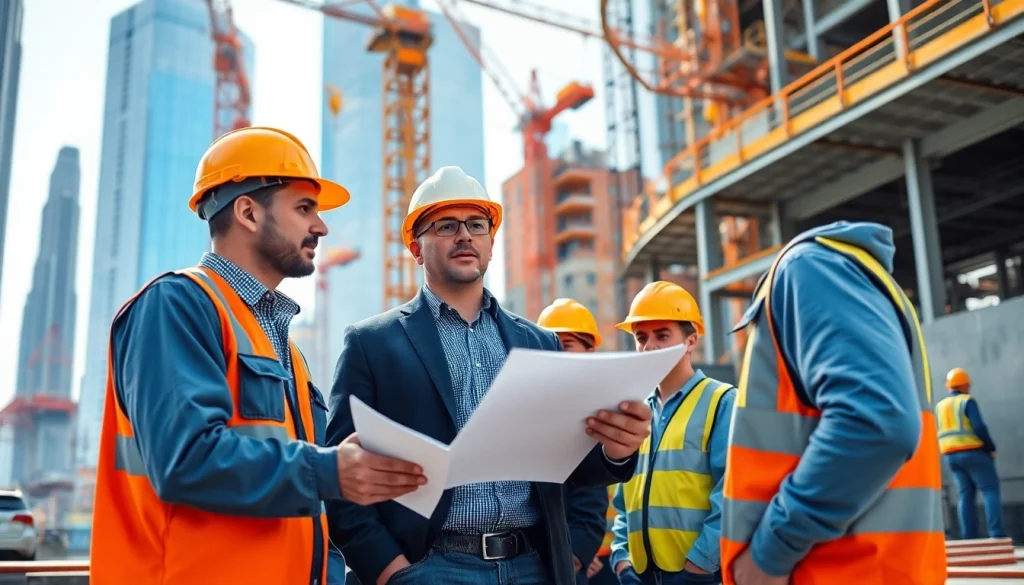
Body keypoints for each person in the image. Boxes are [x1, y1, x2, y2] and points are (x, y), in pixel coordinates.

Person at [89, 127, 427, 585]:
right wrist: (329, 470)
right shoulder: (176, 306)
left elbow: (306, 508)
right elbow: (184, 460)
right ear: (247, 212)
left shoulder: (286, 348)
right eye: (304, 208)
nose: (321, 227)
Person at [326, 166, 651, 585]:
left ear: (492, 243)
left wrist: (616, 450)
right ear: (415, 247)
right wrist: (393, 573)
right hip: (430, 566)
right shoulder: (372, 345)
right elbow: (342, 477)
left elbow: (570, 466)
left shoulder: (541, 343)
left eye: (476, 225)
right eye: (446, 225)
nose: (464, 235)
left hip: (532, 565)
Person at [721, 221, 947, 585]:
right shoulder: (847, 274)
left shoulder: (808, 268)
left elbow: (875, 423)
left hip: (831, 571)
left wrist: (769, 554)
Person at [608, 281, 735, 585]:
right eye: (641, 337)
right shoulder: (634, 411)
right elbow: (625, 499)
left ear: (691, 341)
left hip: (698, 576)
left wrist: (701, 565)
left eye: (662, 335)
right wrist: (622, 560)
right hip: (639, 576)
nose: (649, 346)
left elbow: (733, 493)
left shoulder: (721, 402)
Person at [537, 299, 619, 585]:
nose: (556, 355)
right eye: (548, 346)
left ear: (589, 352)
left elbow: (590, 504)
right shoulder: (533, 411)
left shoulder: (595, 415)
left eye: (566, 345)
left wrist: (574, 556)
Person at [935, 367, 1006, 539]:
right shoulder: (967, 401)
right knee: (990, 490)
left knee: (965, 494)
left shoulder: (940, 406)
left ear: (949, 386)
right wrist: (990, 447)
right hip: (974, 453)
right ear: (966, 385)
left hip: (951, 456)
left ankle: (969, 537)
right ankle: (997, 535)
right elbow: (979, 426)